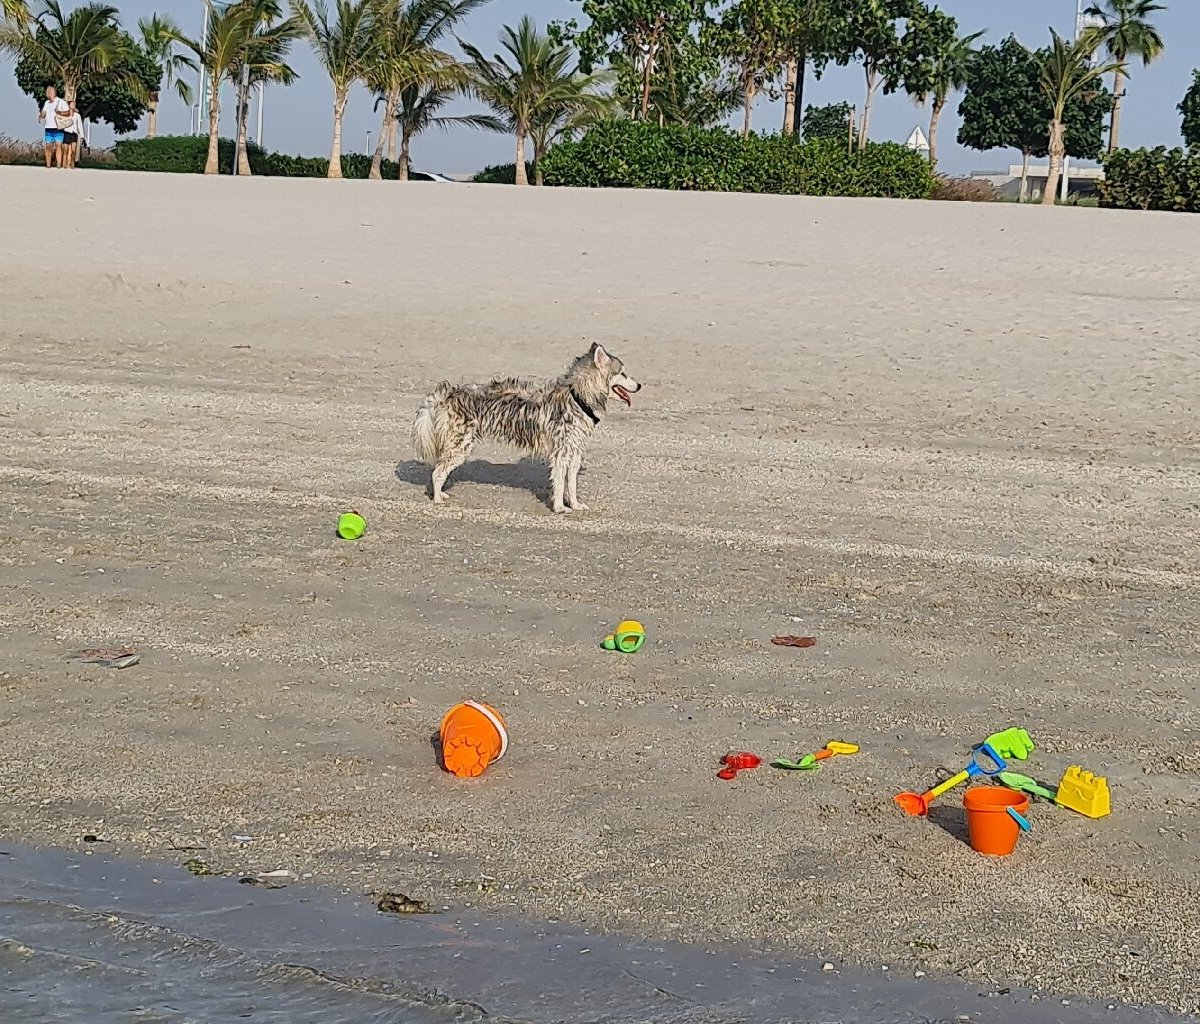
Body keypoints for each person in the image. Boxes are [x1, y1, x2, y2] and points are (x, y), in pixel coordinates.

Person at [38, 85, 68, 168]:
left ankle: (59, 163)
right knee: (48, 146)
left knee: (59, 145)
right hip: (48, 127)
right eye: (47, 92)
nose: (49, 94)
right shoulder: (46, 103)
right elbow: (44, 112)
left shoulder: (61, 102)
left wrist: (60, 112)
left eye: (50, 92)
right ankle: (48, 164)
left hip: (58, 127)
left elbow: (68, 112)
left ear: (54, 93)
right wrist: (41, 116)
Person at [61, 102, 83, 169]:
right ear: (69, 106)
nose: (73, 106)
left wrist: (82, 136)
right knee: (65, 150)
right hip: (66, 132)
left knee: (73, 150)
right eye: (71, 104)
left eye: (74, 105)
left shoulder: (77, 115)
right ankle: (64, 163)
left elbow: (80, 125)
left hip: (74, 133)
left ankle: (72, 162)